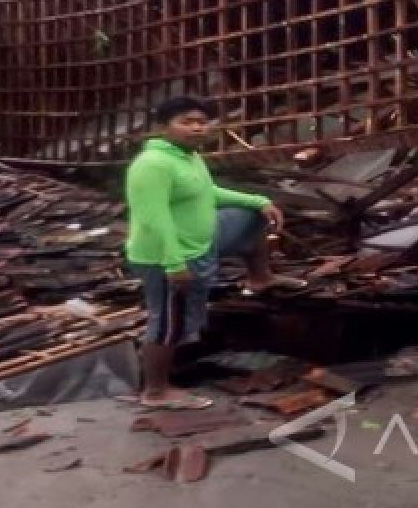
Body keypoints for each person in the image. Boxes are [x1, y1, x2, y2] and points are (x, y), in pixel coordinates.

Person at [124, 96, 305, 409]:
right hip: (166, 254)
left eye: (201, 122)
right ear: (162, 128)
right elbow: (153, 219)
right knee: (168, 322)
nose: (196, 128)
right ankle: (155, 391)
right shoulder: (152, 165)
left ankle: (260, 279)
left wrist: (258, 201)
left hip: (200, 241)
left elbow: (209, 192)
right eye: (186, 122)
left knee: (251, 216)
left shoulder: (188, 157)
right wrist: (173, 263)